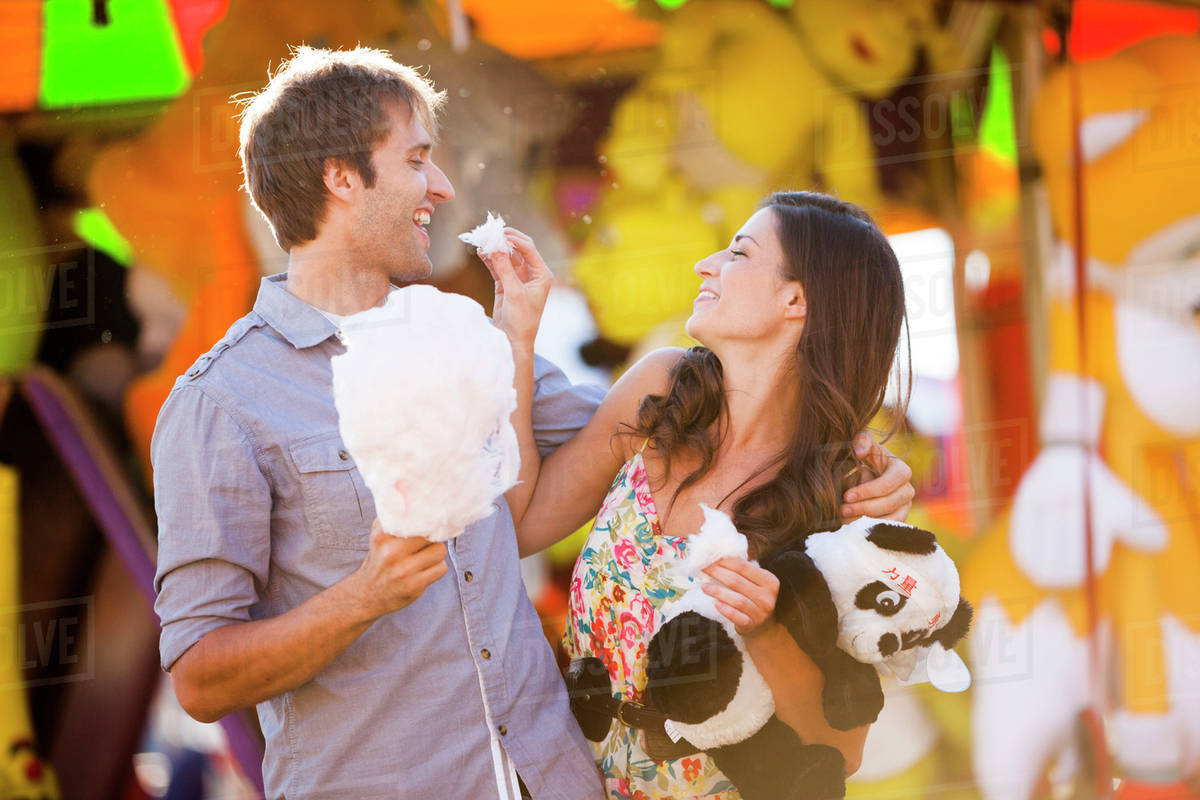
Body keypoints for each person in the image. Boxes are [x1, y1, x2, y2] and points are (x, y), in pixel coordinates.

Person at [151, 45, 913, 799]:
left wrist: (854, 459)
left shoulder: (463, 342)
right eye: (418, 160)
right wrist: (365, 595)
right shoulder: (221, 404)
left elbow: (701, 437)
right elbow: (199, 678)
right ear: (341, 177)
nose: (443, 186)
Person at [489, 191, 913, 799]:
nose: (705, 265)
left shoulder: (847, 498)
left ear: (797, 299)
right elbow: (519, 525)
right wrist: (518, 339)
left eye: (739, 252)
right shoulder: (663, 390)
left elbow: (839, 750)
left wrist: (767, 632)